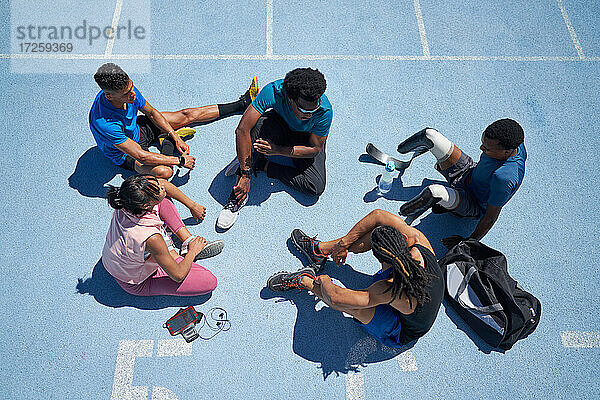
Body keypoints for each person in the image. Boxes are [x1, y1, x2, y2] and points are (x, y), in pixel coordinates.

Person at [266, 209, 444, 348]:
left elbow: (336, 297)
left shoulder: (387, 289)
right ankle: (321, 251)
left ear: (380, 259)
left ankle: (305, 280)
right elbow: (378, 215)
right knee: (375, 230)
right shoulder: (418, 241)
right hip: (413, 296)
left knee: (353, 307)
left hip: (402, 329)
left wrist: (324, 280)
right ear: (403, 238)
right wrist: (343, 244)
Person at [89, 63, 258, 179]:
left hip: (138, 128)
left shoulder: (127, 90)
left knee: (186, 115)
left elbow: (152, 114)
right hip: (126, 153)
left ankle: (241, 104)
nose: (132, 94)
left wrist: (175, 136)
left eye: (131, 87)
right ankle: (166, 143)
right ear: (109, 96)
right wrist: (180, 160)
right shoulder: (104, 123)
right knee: (164, 172)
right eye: (126, 94)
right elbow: (141, 155)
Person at [216, 67, 333, 229]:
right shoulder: (273, 91)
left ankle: (260, 163)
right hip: (279, 125)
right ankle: (238, 195)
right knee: (255, 129)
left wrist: (278, 150)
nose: (310, 114)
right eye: (305, 109)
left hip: (305, 138)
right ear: (290, 99)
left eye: (314, 108)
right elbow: (242, 129)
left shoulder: (324, 111)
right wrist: (245, 174)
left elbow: (314, 149)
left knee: (315, 187)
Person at [396, 118, 526, 248]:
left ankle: (401, 217)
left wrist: (469, 241)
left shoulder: (504, 178)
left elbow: (490, 218)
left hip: (471, 201)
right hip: (469, 171)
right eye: (482, 142)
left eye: (486, 149)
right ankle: (400, 152)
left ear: (507, 152)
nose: (481, 148)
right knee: (429, 135)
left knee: (434, 192)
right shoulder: (513, 141)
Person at [102, 174, 224, 296]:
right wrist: (193, 251)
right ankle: (178, 253)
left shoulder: (126, 201)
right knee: (209, 281)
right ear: (145, 206)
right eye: (158, 187)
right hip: (137, 281)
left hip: (116, 261)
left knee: (163, 198)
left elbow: (163, 184)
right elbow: (178, 276)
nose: (162, 185)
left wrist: (192, 205)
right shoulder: (152, 238)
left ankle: (187, 241)